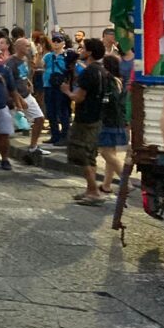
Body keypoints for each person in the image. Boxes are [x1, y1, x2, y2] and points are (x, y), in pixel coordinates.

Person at [63, 38, 107, 206]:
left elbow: (79, 97)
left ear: (89, 52)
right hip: (97, 117)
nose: (80, 51)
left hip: (86, 118)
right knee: (91, 154)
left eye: (83, 48)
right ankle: (90, 189)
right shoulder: (102, 70)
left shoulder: (89, 72)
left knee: (83, 155)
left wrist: (67, 91)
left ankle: (94, 192)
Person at [7, 38, 47, 156]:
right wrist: (18, 100)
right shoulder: (11, 62)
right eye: (26, 46)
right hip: (15, 97)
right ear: (18, 47)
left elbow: (23, 75)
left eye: (29, 46)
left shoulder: (25, 59)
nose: (29, 48)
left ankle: (33, 146)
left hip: (27, 94)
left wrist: (29, 83)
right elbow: (9, 83)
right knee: (5, 129)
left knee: (39, 118)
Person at [97, 54, 127, 194]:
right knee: (111, 152)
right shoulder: (119, 80)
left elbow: (110, 101)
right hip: (118, 120)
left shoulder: (109, 80)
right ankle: (106, 184)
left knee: (104, 152)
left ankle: (126, 182)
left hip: (109, 120)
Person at [43, 34, 71, 144]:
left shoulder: (66, 56)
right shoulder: (48, 56)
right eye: (54, 40)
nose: (55, 43)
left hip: (61, 86)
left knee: (62, 111)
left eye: (58, 41)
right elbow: (41, 65)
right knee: (50, 112)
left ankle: (64, 136)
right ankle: (55, 135)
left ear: (63, 43)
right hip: (48, 85)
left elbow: (70, 69)